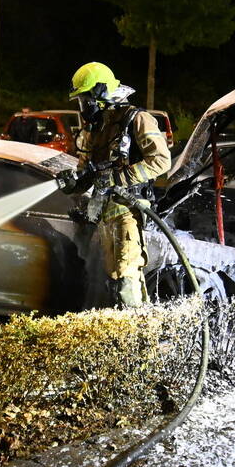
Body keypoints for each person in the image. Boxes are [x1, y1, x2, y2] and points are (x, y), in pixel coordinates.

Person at [57, 62, 171, 308]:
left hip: (127, 210)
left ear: (99, 94)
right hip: (104, 213)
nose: (82, 106)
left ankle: (134, 337)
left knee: (124, 276)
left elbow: (161, 161)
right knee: (114, 277)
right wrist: (72, 184)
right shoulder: (96, 128)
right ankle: (135, 328)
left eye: (84, 99)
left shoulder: (137, 119)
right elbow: (86, 172)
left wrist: (119, 178)